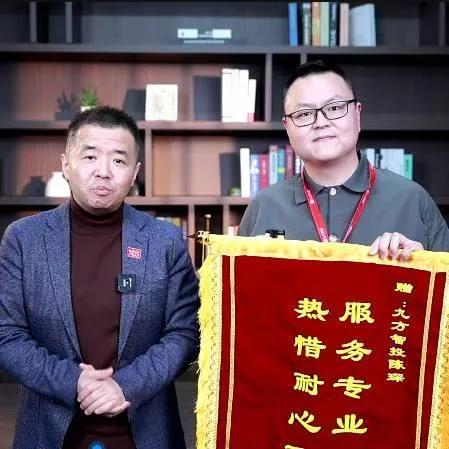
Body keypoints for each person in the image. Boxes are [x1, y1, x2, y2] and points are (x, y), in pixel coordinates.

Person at [0, 106, 199, 449]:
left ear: (134, 172)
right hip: (49, 432)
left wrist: (125, 386)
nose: (103, 171)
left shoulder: (164, 241)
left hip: (145, 432)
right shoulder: (24, 239)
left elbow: (184, 333)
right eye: (90, 156)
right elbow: (7, 335)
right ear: (66, 165)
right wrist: (74, 382)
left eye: (119, 160)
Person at [238, 60, 449, 258]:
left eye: (334, 108)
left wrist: (424, 264)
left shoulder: (413, 200)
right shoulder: (263, 207)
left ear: (357, 115)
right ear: (287, 127)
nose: (321, 122)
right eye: (304, 114)